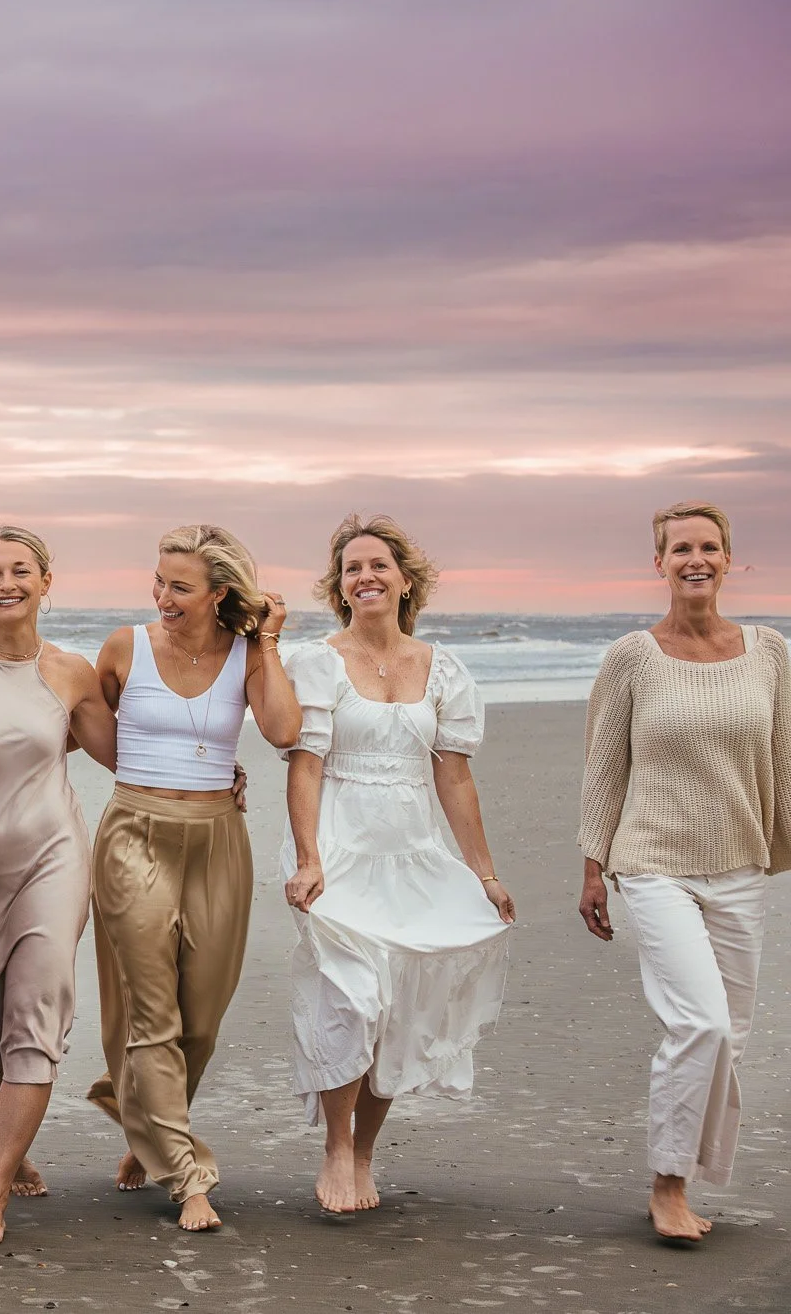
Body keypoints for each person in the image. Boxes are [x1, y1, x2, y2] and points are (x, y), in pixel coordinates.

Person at [279, 514, 514, 1214]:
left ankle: (361, 1151)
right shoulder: (318, 661)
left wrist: (484, 871)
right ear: (340, 587)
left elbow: (455, 779)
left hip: (412, 855)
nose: (366, 576)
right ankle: (331, 1147)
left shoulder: (441, 667)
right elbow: (306, 767)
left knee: (399, 1009)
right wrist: (308, 857)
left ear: (405, 580)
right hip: (341, 853)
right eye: (352, 568)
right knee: (350, 998)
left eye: (378, 564)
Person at [578, 501, 790, 1241]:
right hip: (653, 863)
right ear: (659, 563)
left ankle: (690, 1173)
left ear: (729, 559)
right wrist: (595, 865)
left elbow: (785, 758)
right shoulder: (632, 656)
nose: (694, 559)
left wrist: (781, 846)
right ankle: (667, 1186)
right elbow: (606, 767)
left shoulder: (768, 651)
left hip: (738, 866)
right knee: (697, 1021)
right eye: (680, 549)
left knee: (728, 1032)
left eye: (708, 547)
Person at [89, 523, 298, 1232]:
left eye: (180, 586)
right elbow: (96, 733)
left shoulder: (247, 654)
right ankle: (186, 1175)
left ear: (219, 593)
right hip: (132, 836)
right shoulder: (125, 646)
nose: (163, 596)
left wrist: (267, 640)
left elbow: (282, 730)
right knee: (153, 1012)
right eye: (159, 581)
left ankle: (143, 1121)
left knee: (200, 1019)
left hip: (218, 841)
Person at [0, 525, 118, 1247]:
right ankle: (8, 1141)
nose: (5, 582)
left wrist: (212, 773)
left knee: (34, 1021)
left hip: (52, 858)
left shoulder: (70, 672)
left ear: (45, 582)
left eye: (20, 570)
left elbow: (126, 755)